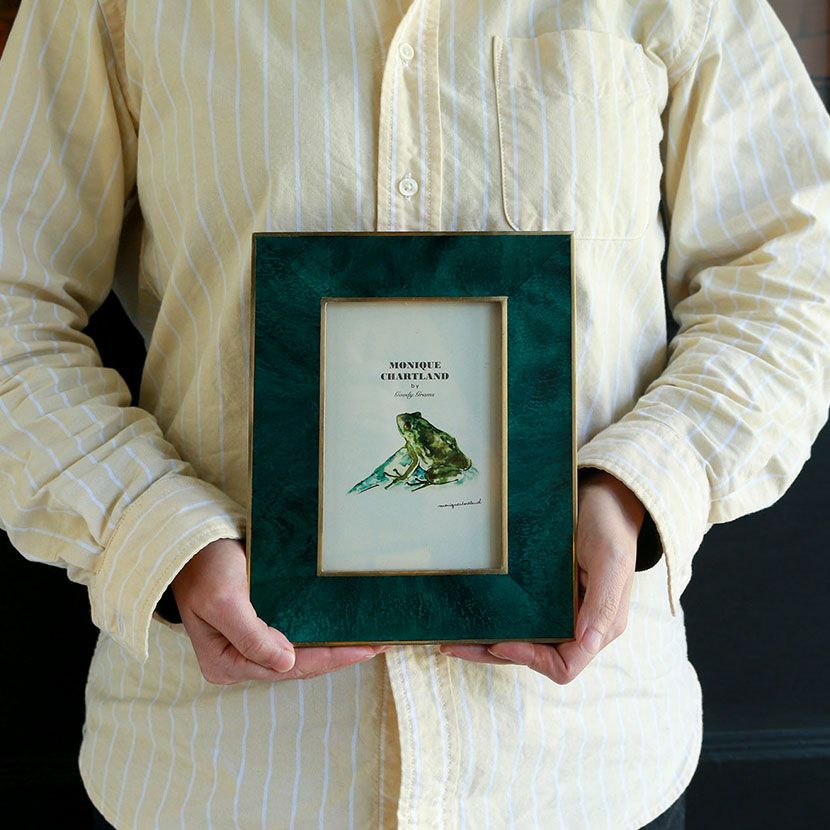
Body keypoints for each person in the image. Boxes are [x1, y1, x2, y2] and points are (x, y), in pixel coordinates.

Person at [0, 0, 827, 827]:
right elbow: (13, 304)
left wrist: (639, 485)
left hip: (580, 768)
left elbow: (795, 275)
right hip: (225, 774)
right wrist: (153, 530)